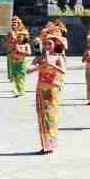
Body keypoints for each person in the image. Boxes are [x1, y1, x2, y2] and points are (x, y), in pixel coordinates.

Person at [30, 25, 67, 154]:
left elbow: (63, 71)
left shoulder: (58, 57)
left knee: (51, 116)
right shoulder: (39, 57)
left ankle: (51, 143)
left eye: (49, 44)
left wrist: (51, 64)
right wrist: (39, 67)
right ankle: (45, 144)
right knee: (42, 116)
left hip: (52, 90)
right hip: (41, 89)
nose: (47, 46)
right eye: (45, 43)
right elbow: (28, 70)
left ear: (55, 44)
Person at [6, 16, 31, 97]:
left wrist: (19, 47)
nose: (13, 24)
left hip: (21, 56)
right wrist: (12, 44)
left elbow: (26, 42)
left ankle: (20, 90)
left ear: (18, 24)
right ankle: (16, 89)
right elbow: (7, 43)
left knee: (21, 74)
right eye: (12, 23)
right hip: (12, 53)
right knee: (13, 74)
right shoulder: (10, 32)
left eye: (15, 23)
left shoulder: (23, 32)